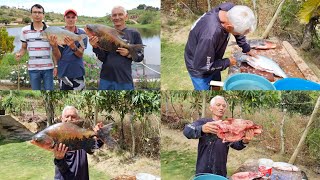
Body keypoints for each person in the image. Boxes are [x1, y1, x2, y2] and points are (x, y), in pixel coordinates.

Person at [184, 2, 257, 90]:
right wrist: (227, 62)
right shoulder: (209, 36)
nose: (239, 34)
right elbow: (203, 66)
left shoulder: (231, 11)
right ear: (229, 27)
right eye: (238, 32)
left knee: (217, 84)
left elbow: (238, 32)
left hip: (213, 58)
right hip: (199, 67)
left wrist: (246, 48)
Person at [183, 96, 254, 177]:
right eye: (218, 105)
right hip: (202, 171)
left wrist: (245, 141)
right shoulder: (204, 122)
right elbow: (187, 131)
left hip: (220, 172)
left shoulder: (228, 126)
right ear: (211, 108)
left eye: (223, 106)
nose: (221, 108)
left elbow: (237, 145)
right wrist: (202, 129)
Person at [89, 6, 144, 90]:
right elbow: (103, 58)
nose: (117, 17)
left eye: (120, 14)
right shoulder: (105, 34)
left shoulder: (134, 33)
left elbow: (140, 57)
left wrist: (128, 54)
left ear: (126, 16)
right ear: (111, 18)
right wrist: (95, 47)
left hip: (124, 79)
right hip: (105, 78)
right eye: (114, 15)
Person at [53, 106, 103, 180]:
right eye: (67, 116)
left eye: (73, 117)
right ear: (62, 119)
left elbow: (94, 146)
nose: (70, 119)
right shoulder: (58, 138)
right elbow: (63, 169)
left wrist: (100, 135)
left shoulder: (82, 136)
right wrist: (59, 159)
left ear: (78, 119)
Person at [16, 4, 56, 90]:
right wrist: (19, 54)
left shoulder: (50, 30)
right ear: (31, 14)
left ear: (43, 15)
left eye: (39, 12)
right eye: (34, 12)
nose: (37, 15)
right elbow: (23, 48)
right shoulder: (24, 30)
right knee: (36, 91)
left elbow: (54, 49)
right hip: (33, 68)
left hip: (48, 68)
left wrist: (56, 66)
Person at [50, 9, 87, 90]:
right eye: (68, 17)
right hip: (63, 72)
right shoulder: (57, 32)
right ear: (65, 18)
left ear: (76, 18)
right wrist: (55, 47)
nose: (71, 19)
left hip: (78, 71)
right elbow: (57, 56)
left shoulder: (82, 34)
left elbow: (80, 54)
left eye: (73, 17)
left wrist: (73, 46)